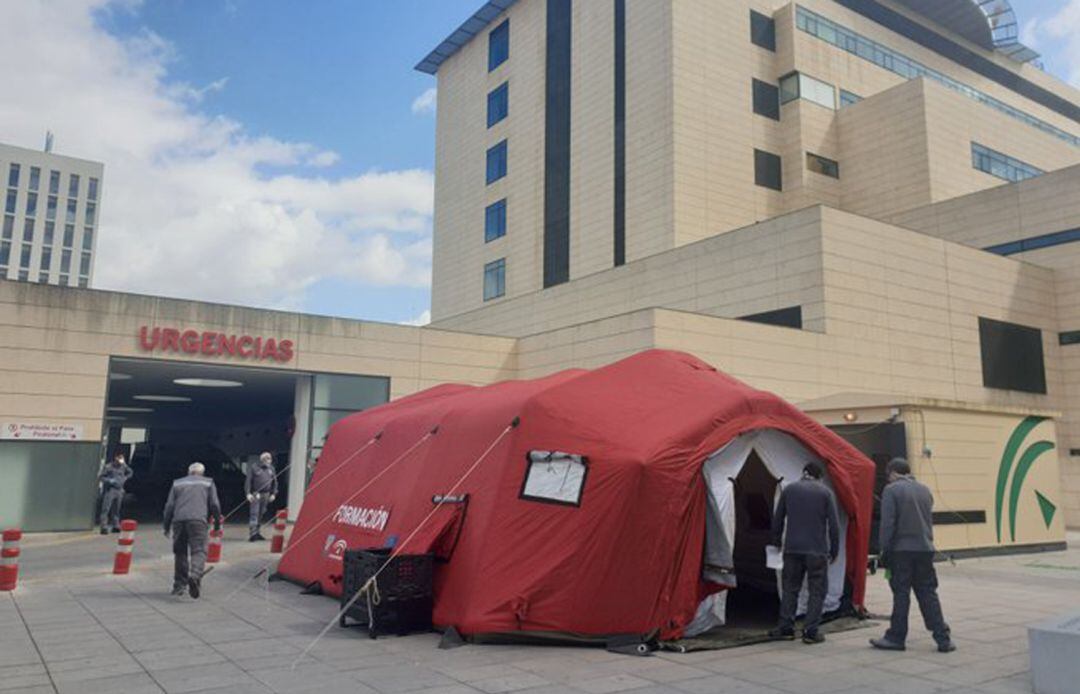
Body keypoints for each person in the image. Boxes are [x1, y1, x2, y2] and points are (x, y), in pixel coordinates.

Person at [871, 458, 956, 653]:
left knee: (901, 594)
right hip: (925, 549)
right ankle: (943, 638)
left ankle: (896, 637)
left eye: (887, 475)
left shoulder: (891, 491)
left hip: (902, 551)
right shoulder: (924, 490)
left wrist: (884, 550)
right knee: (928, 593)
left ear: (892, 472)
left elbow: (887, 524)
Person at [768, 461, 841, 644]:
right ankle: (810, 631)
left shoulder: (789, 490)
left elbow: (777, 520)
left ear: (804, 473)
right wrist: (834, 550)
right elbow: (833, 525)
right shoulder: (825, 493)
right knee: (817, 591)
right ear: (819, 477)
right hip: (817, 550)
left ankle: (786, 628)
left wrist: (776, 542)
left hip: (792, 549)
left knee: (790, 589)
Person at [163, 462, 222, 599]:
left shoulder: (177, 483)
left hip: (178, 521)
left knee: (180, 552)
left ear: (189, 472)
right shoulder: (208, 483)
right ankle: (195, 576)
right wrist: (217, 523)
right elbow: (214, 504)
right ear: (202, 472)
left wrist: (166, 526)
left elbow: (169, 506)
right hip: (198, 521)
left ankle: (179, 586)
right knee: (199, 550)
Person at [98, 451, 133, 534]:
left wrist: (125, 478)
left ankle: (116, 525)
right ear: (115, 458)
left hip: (119, 490)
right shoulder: (108, 467)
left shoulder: (123, 466)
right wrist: (109, 481)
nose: (120, 460)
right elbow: (101, 477)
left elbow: (130, 472)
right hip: (110, 490)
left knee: (116, 509)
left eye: (122, 458)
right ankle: (104, 527)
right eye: (119, 458)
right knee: (106, 508)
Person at [246, 451, 278, 541]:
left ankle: (257, 532)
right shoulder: (254, 468)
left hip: (266, 494)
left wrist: (273, 494)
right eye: (267, 458)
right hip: (256, 494)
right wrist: (248, 493)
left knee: (261, 513)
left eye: (269, 458)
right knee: (254, 513)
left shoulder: (271, 469)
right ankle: (252, 534)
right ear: (262, 460)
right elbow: (248, 481)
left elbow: (275, 483)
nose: (269, 460)